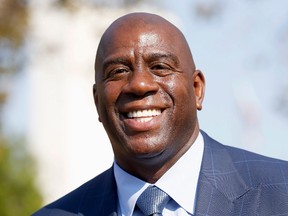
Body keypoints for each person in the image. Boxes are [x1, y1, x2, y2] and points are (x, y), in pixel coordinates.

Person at [33, 12, 288, 216]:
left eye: (160, 67)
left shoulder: (281, 193)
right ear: (98, 101)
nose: (139, 85)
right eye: (118, 71)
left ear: (197, 89)